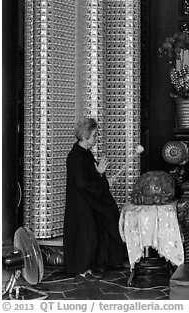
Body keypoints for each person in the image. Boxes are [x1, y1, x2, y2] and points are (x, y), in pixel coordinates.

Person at [64, 118, 128, 278]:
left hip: (89, 201)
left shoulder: (85, 154)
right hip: (81, 204)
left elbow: (91, 177)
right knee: (87, 236)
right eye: (94, 135)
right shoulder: (74, 156)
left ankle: (97, 263)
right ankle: (80, 267)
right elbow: (81, 184)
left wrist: (100, 173)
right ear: (85, 136)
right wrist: (103, 182)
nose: (96, 138)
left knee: (101, 227)